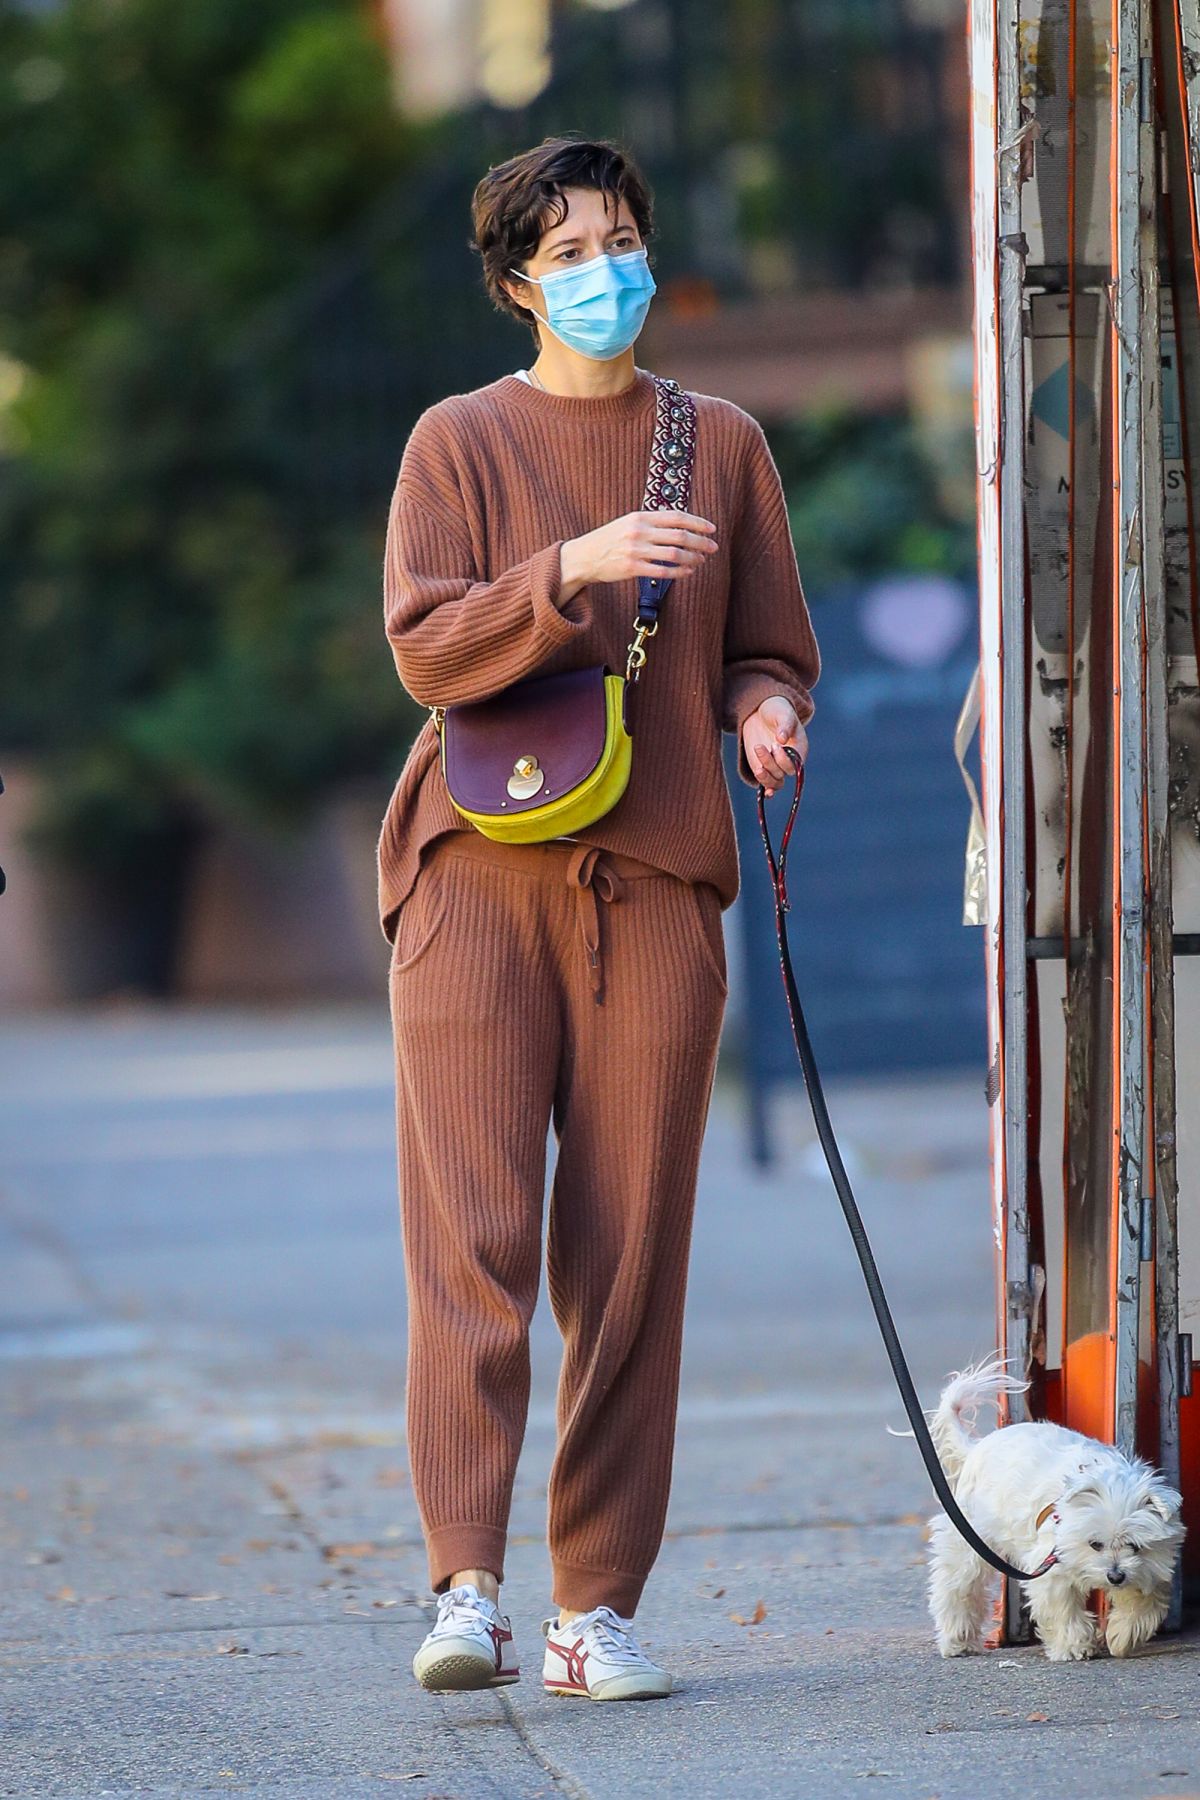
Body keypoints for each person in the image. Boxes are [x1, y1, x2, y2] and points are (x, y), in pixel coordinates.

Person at [380, 134, 820, 1702]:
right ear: (516, 284)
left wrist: (765, 714)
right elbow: (428, 652)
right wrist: (580, 562)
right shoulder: (456, 442)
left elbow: (770, 647)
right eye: (568, 252)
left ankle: (594, 1611)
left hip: (652, 890)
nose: (604, 270)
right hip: (472, 887)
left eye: (620, 239)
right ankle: (466, 1589)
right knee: (476, 1247)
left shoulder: (723, 443)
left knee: (631, 1262)